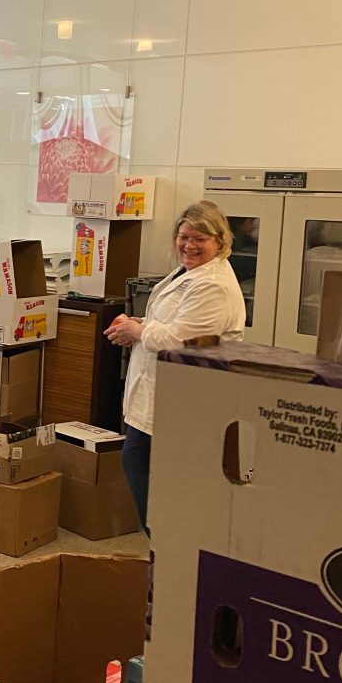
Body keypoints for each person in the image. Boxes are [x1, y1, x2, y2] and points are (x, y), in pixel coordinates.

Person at [104, 200, 245, 531]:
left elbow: (187, 341)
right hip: (159, 399)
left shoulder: (213, 284)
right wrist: (138, 324)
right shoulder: (190, 271)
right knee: (144, 469)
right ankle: (163, 555)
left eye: (200, 238)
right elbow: (172, 322)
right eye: (184, 236)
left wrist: (139, 331)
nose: (189, 245)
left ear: (220, 241)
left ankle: (166, 557)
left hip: (182, 402)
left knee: (152, 480)